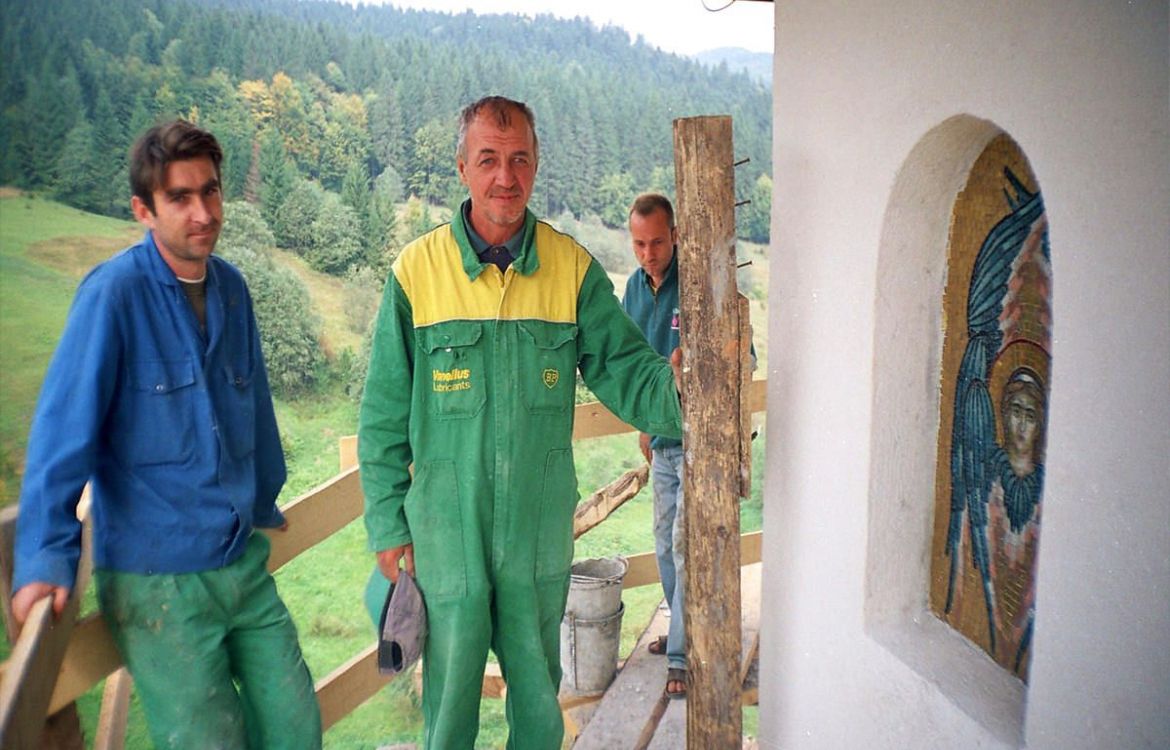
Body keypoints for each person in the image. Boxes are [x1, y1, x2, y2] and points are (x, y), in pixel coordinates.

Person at [359, 96, 683, 748]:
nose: (505, 177)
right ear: (462, 167)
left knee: (537, 700)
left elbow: (627, 370)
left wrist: (684, 387)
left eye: (519, 160)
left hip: (536, 533)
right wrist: (389, 525)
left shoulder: (572, 270)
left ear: (535, 165)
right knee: (450, 703)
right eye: (488, 160)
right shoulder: (416, 273)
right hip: (446, 535)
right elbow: (383, 414)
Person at [11, 120, 322, 749]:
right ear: (143, 210)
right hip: (158, 584)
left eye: (210, 191)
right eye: (180, 197)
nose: (202, 213)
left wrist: (264, 500)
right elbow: (61, 434)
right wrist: (44, 556)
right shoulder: (113, 296)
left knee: (296, 725)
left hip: (240, 562)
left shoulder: (231, 290)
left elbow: (255, 408)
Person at [622, 193, 688, 698]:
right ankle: (683, 632)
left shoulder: (698, 283)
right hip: (662, 443)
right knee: (664, 544)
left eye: (658, 243)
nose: (648, 254)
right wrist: (644, 421)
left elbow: (743, 353)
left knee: (687, 547)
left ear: (676, 236)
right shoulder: (633, 289)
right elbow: (629, 361)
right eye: (640, 244)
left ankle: (681, 655)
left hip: (702, 440)